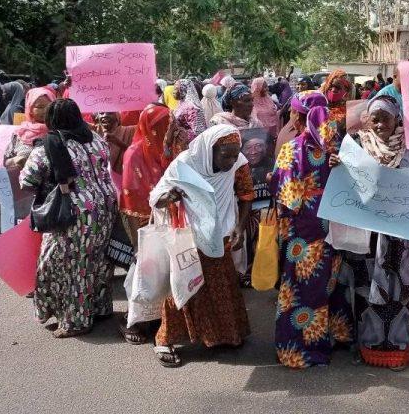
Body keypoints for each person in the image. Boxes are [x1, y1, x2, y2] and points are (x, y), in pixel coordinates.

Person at [329, 95, 409, 370]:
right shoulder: (358, 146)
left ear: (397, 118)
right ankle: (368, 346)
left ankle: (396, 347)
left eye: (385, 117)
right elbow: (347, 183)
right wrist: (337, 167)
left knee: (399, 291)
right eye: (374, 117)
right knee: (365, 290)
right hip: (367, 234)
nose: (379, 123)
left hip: (401, 237)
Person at [149, 125, 252, 367]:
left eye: (235, 153)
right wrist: (170, 197)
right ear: (209, 151)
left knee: (221, 286)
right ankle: (164, 339)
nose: (230, 160)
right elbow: (158, 196)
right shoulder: (186, 163)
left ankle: (224, 335)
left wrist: (240, 227)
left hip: (221, 233)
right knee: (186, 283)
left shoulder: (239, 163)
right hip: (189, 235)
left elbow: (246, 195)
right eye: (225, 155)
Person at [20, 98, 117, 338]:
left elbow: (28, 181)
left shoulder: (49, 145)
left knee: (70, 265)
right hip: (105, 205)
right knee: (98, 259)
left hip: (74, 212)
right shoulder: (95, 139)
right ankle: (100, 307)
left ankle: (76, 321)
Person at [272, 91, 353, 368]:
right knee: (328, 281)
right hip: (331, 225)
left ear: (298, 115)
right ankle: (334, 335)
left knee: (300, 287)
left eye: (293, 112)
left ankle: (298, 349)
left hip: (302, 230)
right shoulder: (339, 149)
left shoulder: (292, 150)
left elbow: (288, 198)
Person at [117, 103, 172, 344]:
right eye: (163, 125)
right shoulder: (135, 153)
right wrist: (137, 239)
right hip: (141, 220)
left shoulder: (166, 148)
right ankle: (132, 321)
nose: (168, 128)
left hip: (165, 218)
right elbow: (129, 196)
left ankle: (158, 316)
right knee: (142, 271)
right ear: (150, 127)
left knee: (163, 272)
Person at [3, 87, 56, 169]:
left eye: (49, 106)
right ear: (30, 108)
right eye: (40, 107)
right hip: (23, 180)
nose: (45, 110)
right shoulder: (20, 133)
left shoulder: (59, 131)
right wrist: (15, 160)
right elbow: (6, 162)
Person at [172, 78, 207, 143]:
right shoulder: (181, 104)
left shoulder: (192, 107)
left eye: (176, 88)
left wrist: (181, 133)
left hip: (190, 145)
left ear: (183, 89)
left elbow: (199, 131)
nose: (173, 91)